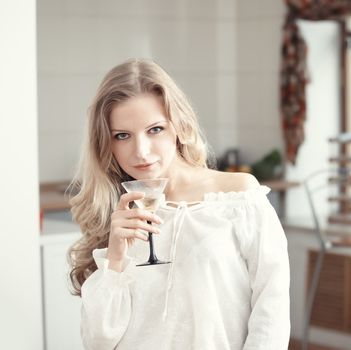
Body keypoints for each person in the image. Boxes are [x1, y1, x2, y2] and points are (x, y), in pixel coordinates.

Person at [68, 58, 290, 349]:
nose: (141, 151)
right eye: (122, 136)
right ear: (107, 144)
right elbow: (97, 341)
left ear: (179, 125)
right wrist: (116, 256)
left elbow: (271, 311)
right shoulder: (118, 210)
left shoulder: (238, 198)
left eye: (155, 129)